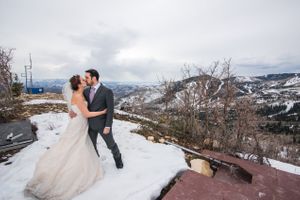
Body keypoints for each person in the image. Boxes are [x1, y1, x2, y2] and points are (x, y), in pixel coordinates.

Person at [25, 75, 105, 200]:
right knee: (72, 146)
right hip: (78, 124)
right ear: (78, 84)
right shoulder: (78, 96)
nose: (85, 80)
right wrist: (102, 112)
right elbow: (87, 113)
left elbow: (76, 107)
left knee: (77, 146)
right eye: (83, 80)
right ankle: (68, 173)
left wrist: (71, 110)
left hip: (79, 123)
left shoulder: (80, 93)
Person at [69, 69, 123, 169]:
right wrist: (72, 110)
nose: (85, 79)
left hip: (103, 125)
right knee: (91, 146)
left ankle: (118, 159)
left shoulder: (107, 91)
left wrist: (108, 126)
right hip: (88, 125)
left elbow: (110, 111)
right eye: (84, 78)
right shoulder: (85, 91)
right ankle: (96, 164)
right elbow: (76, 100)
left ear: (94, 78)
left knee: (111, 144)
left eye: (87, 77)